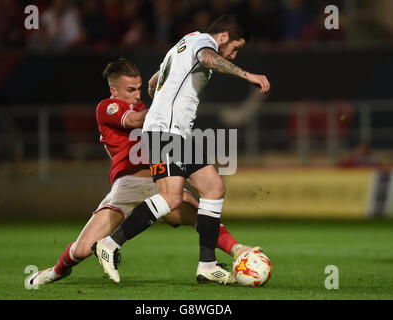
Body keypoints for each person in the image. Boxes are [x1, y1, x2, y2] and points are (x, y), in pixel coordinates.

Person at [28, 58, 260, 286]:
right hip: (127, 186)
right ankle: (55, 272)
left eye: (139, 88)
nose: (137, 95)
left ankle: (238, 251)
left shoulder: (148, 110)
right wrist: (169, 105)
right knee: (81, 250)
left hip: (157, 181)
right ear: (114, 90)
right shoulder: (107, 108)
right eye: (130, 89)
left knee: (203, 216)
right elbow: (136, 120)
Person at [93, 15, 270, 285]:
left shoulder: (182, 43)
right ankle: (110, 243)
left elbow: (154, 83)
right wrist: (247, 75)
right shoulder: (202, 43)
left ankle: (207, 265)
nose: (234, 55)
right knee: (171, 198)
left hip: (178, 133)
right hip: (165, 132)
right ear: (223, 37)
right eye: (235, 48)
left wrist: (166, 96)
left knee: (213, 187)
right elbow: (210, 59)